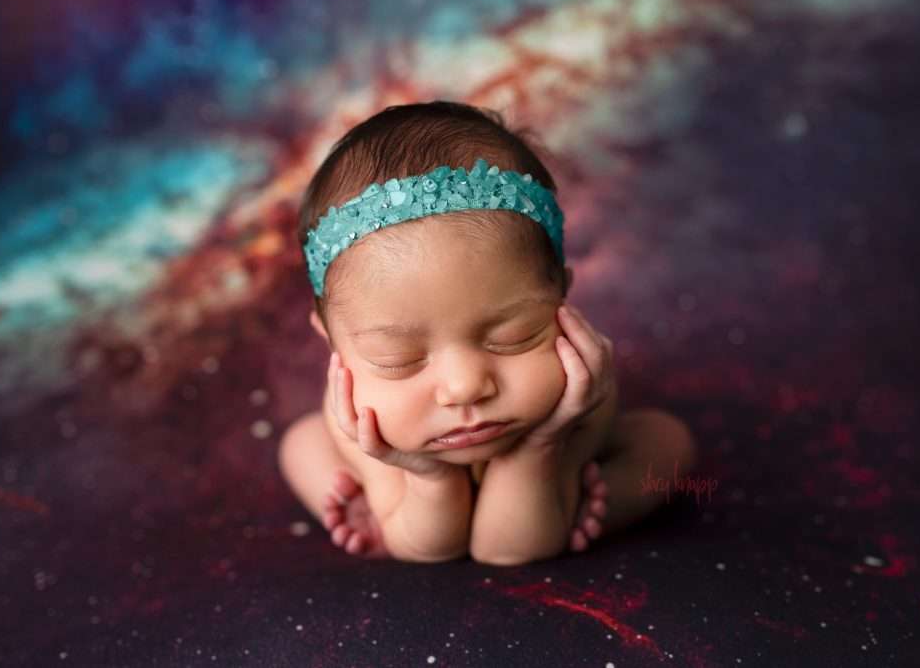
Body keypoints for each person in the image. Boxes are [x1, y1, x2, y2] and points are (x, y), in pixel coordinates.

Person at [278, 100, 695, 565]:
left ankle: (588, 501)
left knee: (667, 441)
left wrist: (541, 444)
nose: (465, 387)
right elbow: (434, 550)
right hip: (400, 473)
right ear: (332, 341)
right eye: (398, 358)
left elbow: (506, 550)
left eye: (514, 336)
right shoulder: (366, 423)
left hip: (559, 454)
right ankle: (378, 507)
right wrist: (427, 476)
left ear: (561, 296)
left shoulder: (581, 391)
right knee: (303, 443)